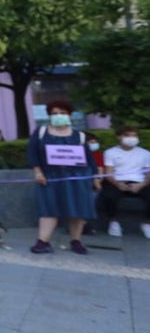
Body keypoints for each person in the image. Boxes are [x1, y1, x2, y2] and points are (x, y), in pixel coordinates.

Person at [27, 100, 98, 254]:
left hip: (77, 178)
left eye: (63, 113)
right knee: (48, 208)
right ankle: (43, 242)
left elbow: (89, 158)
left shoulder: (79, 135)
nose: (58, 116)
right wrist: (38, 172)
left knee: (77, 209)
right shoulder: (41, 132)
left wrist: (95, 177)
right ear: (49, 115)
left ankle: (76, 241)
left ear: (70, 115)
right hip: (49, 178)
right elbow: (32, 154)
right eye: (54, 113)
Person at [98, 126, 150, 238]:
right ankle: (113, 222)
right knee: (109, 195)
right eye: (127, 135)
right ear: (119, 137)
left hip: (139, 181)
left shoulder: (145, 153)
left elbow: (148, 175)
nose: (131, 138)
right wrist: (118, 184)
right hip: (117, 181)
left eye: (134, 135)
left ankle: (147, 223)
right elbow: (109, 173)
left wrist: (141, 185)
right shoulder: (110, 152)